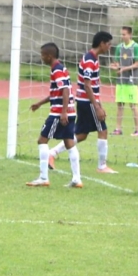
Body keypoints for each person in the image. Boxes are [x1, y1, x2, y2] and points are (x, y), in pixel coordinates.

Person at [48, 31, 117, 174]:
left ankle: (52, 152)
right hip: (88, 102)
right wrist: (97, 106)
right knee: (103, 131)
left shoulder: (92, 58)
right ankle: (101, 166)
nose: (109, 47)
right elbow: (87, 85)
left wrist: (98, 103)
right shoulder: (90, 60)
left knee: (81, 134)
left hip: (87, 101)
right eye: (108, 44)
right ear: (102, 43)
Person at [26, 42, 83, 188]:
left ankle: (43, 177)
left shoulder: (57, 70)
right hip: (70, 111)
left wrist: (63, 112)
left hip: (59, 113)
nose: (42, 57)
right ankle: (77, 179)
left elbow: (64, 90)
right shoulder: (61, 68)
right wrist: (40, 103)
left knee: (42, 141)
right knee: (69, 143)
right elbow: (57, 92)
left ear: (49, 56)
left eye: (43, 55)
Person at [110, 26, 138, 137]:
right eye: (121, 34)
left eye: (124, 34)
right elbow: (117, 62)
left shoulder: (135, 47)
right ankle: (118, 129)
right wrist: (116, 67)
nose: (122, 36)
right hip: (120, 81)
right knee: (120, 105)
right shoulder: (119, 47)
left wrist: (124, 68)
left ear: (130, 35)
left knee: (133, 105)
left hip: (131, 81)